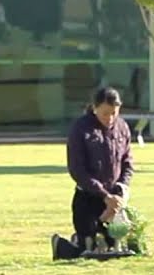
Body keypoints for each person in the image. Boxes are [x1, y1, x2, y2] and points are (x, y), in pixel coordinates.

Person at [53, 86, 134, 260]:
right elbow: (77, 169)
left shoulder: (122, 128)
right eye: (105, 114)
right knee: (89, 250)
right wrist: (104, 196)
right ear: (94, 108)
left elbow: (127, 163)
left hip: (114, 200)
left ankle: (81, 239)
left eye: (114, 113)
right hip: (88, 198)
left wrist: (119, 192)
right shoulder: (81, 129)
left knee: (114, 248)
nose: (110, 119)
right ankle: (63, 245)